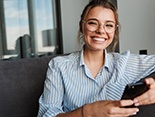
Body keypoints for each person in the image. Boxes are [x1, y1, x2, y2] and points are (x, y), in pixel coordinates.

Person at [37, 0, 155, 117]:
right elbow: (47, 115)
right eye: (93, 23)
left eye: (109, 25)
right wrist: (87, 112)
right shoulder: (59, 66)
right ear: (82, 26)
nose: (100, 30)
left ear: (114, 31)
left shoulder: (125, 63)